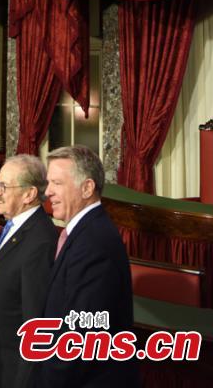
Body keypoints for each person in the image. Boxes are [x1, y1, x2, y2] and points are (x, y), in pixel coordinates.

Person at [37, 145, 138, 388]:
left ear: (87, 188)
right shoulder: (84, 232)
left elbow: (80, 338)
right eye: (48, 183)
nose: (48, 192)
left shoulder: (94, 244)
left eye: (57, 183)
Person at [0, 154, 58, 388]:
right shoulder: (10, 227)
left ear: (29, 194)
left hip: (13, 371)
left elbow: (35, 323)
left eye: (3, 186)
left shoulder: (40, 242)